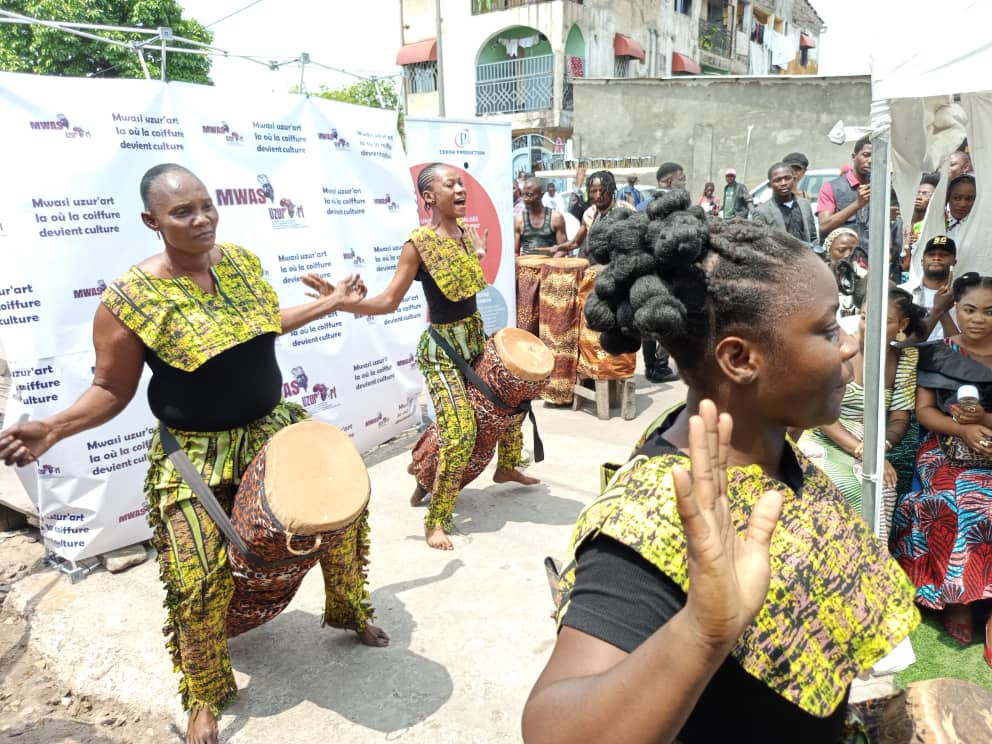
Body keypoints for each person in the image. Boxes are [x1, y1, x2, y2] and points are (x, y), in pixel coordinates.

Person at [0, 163, 389, 744]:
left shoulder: (240, 264)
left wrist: (329, 303)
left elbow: (263, 325)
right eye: (182, 212)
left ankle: (350, 610)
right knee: (198, 579)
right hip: (194, 455)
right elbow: (110, 388)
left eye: (206, 205)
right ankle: (204, 691)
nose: (202, 219)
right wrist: (55, 427)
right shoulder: (130, 299)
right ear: (151, 221)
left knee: (341, 521)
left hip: (270, 432)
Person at [522, 192, 918, 743]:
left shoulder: (765, 445)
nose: (850, 344)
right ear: (739, 359)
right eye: (829, 329)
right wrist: (703, 630)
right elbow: (551, 731)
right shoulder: (658, 521)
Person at [305, 163, 538, 551]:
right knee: (460, 433)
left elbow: (461, 280)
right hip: (442, 351)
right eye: (451, 185)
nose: (461, 189)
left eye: (461, 183)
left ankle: (507, 466)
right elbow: (387, 301)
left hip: (474, 337)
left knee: (513, 400)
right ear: (429, 197)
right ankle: (437, 520)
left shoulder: (464, 234)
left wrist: (479, 252)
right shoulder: (417, 245)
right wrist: (340, 303)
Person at [890, 273, 992, 663]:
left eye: (989, 312)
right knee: (963, 500)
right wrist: (963, 429)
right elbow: (925, 411)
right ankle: (958, 598)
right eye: (969, 309)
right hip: (946, 448)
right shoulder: (938, 353)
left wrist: (984, 419)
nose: (978, 319)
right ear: (956, 309)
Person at [798, 287, 924, 534]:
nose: (871, 326)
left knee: (883, 488)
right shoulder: (840, 349)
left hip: (871, 439)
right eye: (866, 317)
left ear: (902, 324)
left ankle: (869, 554)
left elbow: (899, 418)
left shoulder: (905, 358)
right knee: (836, 481)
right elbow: (819, 410)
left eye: (884, 321)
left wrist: (880, 446)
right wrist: (863, 451)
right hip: (826, 432)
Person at [554, 170, 634, 257]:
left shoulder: (626, 211)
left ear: (611, 190)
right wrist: (556, 248)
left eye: (602, 190)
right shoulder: (589, 214)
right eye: (593, 191)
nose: (598, 195)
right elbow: (576, 242)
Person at [900, 235, 959, 342]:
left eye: (944, 255)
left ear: (954, 262)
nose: (936, 258)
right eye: (931, 254)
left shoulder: (962, 296)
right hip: (908, 351)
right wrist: (939, 309)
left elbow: (959, 345)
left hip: (945, 351)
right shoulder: (902, 292)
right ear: (922, 261)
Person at [817, 136, 871, 244]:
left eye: (876, 156)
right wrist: (857, 204)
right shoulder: (831, 187)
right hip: (845, 253)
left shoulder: (884, 188)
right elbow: (824, 226)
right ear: (854, 156)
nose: (870, 160)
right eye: (866, 155)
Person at [751, 162, 817, 250]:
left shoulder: (805, 204)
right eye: (777, 180)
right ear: (770, 185)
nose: (783, 183)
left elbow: (813, 236)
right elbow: (760, 243)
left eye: (787, 178)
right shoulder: (761, 211)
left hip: (807, 256)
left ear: (793, 180)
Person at [515, 177, 567, 256]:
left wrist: (551, 262)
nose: (525, 199)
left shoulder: (556, 218)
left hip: (550, 262)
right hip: (526, 262)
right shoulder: (519, 220)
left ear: (541, 195)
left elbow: (563, 250)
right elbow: (515, 252)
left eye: (529, 195)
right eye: (523, 195)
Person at [945, 173, 976, 238]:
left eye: (969, 199)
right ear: (948, 198)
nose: (962, 204)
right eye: (957, 198)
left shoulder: (982, 227)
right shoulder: (936, 223)